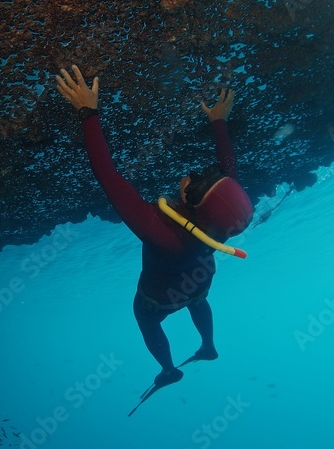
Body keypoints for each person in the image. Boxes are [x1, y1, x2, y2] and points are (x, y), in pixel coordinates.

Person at [55, 64, 254, 404]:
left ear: (192, 202)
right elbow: (229, 174)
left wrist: (88, 112)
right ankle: (208, 346)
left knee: (147, 321)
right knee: (198, 300)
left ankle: (168, 369)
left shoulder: (160, 230)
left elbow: (109, 177)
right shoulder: (224, 220)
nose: (194, 173)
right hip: (198, 282)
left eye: (198, 181)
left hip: (159, 299)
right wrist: (218, 120)